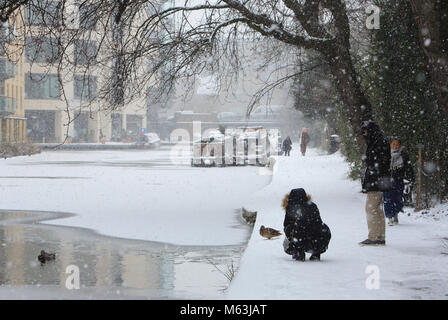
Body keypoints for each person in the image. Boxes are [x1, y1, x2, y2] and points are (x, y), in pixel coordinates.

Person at [359, 120, 391, 246]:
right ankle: (380, 236)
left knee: (371, 208)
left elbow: (379, 162)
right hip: (378, 179)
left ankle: (373, 237)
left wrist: (372, 170)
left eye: (366, 131)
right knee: (377, 208)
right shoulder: (377, 141)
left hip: (377, 180)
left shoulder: (378, 143)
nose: (364, 134)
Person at [282, 188, 331, 261]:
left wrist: (291, 237)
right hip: (318, 241)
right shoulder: (313, 206)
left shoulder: (290, 207)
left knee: (291, 231)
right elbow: (318, 222)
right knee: (318, 230)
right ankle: (316, 253)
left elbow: (286, 225)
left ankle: (298, 252)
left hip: (299, 239)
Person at [383, 137, 414, 226]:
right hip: (386, 179)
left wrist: (410, 178)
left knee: (397, 199)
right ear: (390, 145)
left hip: (398, 179)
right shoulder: (385, 153)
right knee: (387, 199)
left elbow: (408, 167)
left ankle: (395, 214)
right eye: (393, 144)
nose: (395, 146)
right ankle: (389, 217)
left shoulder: (403, 154)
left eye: (397, 144)